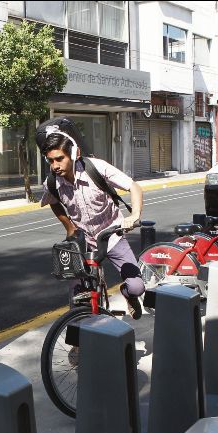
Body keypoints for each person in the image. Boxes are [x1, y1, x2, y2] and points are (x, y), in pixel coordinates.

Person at [38, 126, 145, 319]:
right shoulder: (53, 182)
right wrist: (69, 227)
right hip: (82, 242)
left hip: (112, 235)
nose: (55, 165)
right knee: (77, 299)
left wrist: (134, 215)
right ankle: (79, 334)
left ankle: (128, 295)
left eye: (59, 159)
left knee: (137, 287)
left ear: (74, 154)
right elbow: (52, 202)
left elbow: (134, 187)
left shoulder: (96, 168)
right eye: (50, 160)